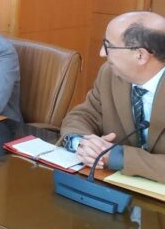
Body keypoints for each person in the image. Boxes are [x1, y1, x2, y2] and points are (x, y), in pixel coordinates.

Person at [60, 11, 165, 183]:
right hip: (114, 186)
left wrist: (117, 156)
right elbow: (82, 116)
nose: (102, 53)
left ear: (140, 55)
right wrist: (83, 144)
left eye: (108, 46)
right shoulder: (110, 74)